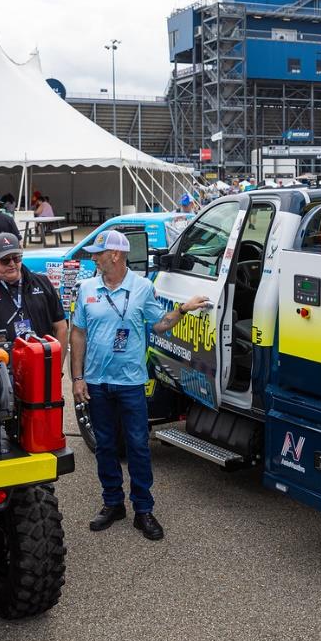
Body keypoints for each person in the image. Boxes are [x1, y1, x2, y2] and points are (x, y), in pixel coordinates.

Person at [70, 230, 208, 541]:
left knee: (137, 446)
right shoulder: (87, 288)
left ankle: (143, 509)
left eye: (98, 252)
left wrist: (183, 310)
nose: (93, 257)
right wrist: (77, 378)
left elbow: (159, 323)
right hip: (97, 382)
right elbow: (78, 333)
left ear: (115, 256)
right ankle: (113, 503)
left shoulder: (143, 288)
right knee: (105, 445)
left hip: (131, 383)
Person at [0, 232, 68, 346]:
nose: (12, 264)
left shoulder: (42, 282)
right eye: (5, 260)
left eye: (16, 258)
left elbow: (61, 327)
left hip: (40, 359)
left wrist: (56, 363)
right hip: (0, 360)